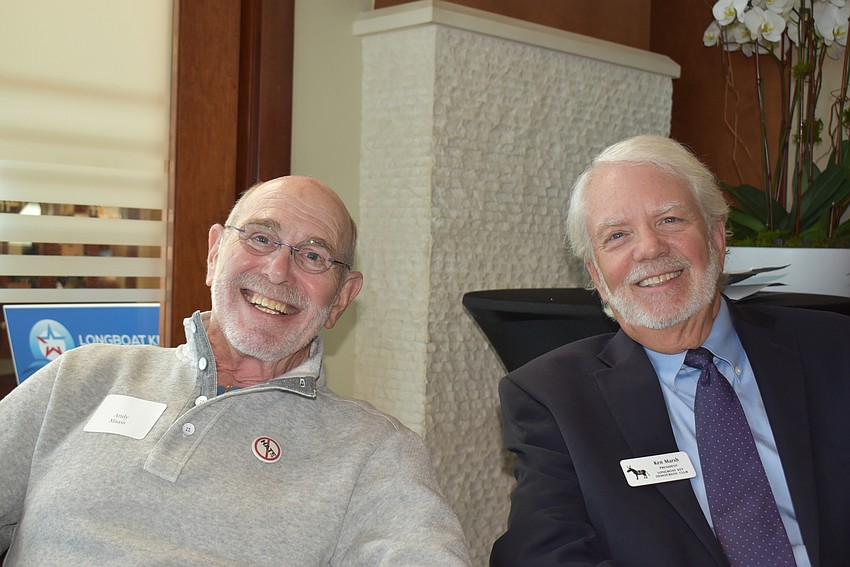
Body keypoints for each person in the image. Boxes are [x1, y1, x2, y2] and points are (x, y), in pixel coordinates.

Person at [0, 176, 472, 566]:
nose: (278, 270)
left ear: (341, 299)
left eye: (313, 255)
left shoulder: (373, 451)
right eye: (261, 238)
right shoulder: (84, 376)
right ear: (213, 254)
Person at [490, 135, 850, 566]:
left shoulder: (835, 348)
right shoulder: (551, 397)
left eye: (670, 220)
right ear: (597, 275)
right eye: (617, 235)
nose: (649, 248)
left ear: (717, 237)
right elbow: (541, 554)